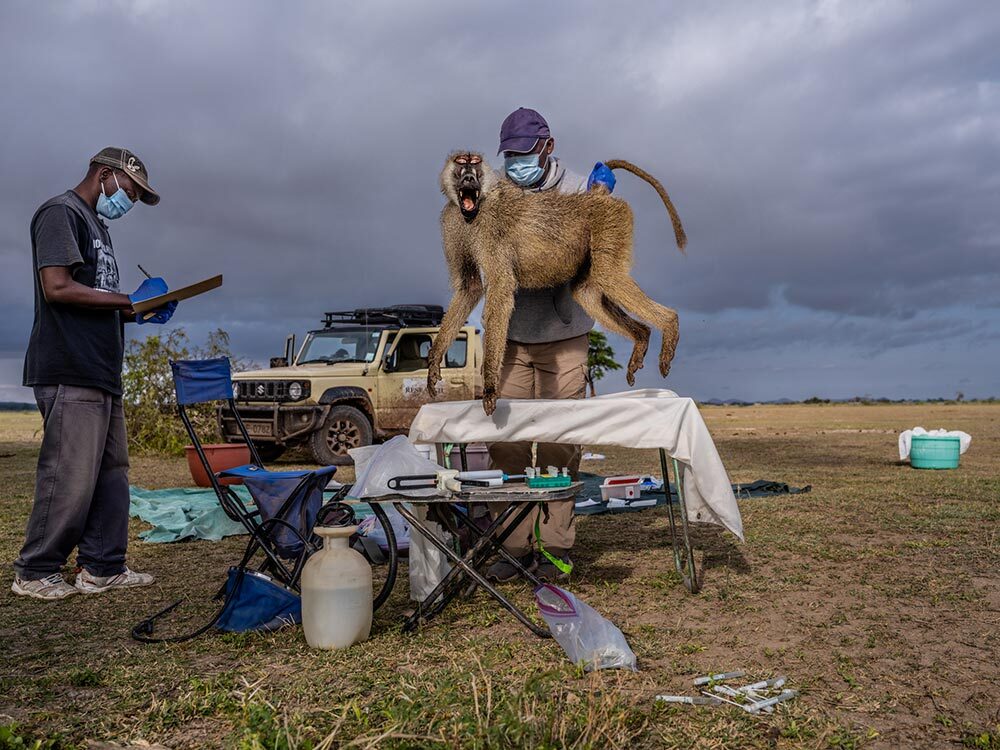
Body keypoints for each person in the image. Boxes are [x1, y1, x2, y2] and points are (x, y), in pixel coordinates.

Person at [12, 147, 177, 600]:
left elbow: (98, 298)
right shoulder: (60, 213)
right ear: (105, 174)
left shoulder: (97, 227)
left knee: (110, 471)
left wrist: (139, 312)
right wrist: (129, 300)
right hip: (69, 364)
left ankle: (102, 566)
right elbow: (58, 288)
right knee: (71, 472)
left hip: (102, 369)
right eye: (129, 190)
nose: (129, 202)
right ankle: (35, 571)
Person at [486, 108, 614, 583]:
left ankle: (555, 546)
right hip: (512, 337)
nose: (517, 163)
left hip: (565, 335)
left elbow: (598, 256)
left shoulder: (580, 189)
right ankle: (515, 546)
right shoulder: (496, 192)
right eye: (510, 155)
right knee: (509, 443)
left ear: (548, 147)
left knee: (560, 443)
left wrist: (600, 203)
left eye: (524, 153)